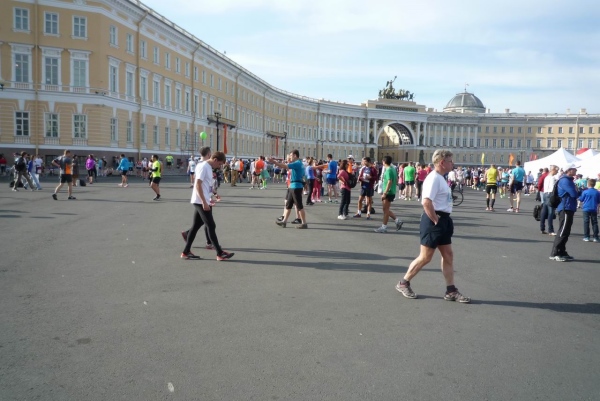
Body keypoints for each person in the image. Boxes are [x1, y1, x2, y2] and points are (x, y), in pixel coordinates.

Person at [395, 149, 470, 303]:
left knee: (448, 255)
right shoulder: (434, 178)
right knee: (425, 257)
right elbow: (426, 202)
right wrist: (435, 220)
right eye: (450, 161)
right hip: (434, 220)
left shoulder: (441, 178)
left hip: (444, 220)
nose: (453, 163)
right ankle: (404, 283)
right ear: (442, 162)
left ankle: (451, 290)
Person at [181, 151, 234, 260]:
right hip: (200, 201)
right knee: (211, 226)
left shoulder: (208, 167)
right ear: (215, 160)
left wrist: (213, 194)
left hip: (203, 200)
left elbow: (207, 185)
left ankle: (186, 252)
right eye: (219, 164)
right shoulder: (204, 166)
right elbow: (198, 184)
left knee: (196, 226)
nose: (219, 167)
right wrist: (204, 202)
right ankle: (220, 253)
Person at [269, 150, 308, 229]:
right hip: (293, 185)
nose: (290, 157)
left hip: (296, 186)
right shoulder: (300, 164)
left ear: (295, 155)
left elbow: (285, 166)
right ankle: (284, 222)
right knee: (288, 205)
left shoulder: (297, 163)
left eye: (291, 155)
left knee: (299, 206)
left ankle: (304, 223)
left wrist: (274, 162)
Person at [549, 164, 580, 262]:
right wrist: (578, 191)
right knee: (563, 231)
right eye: (574, 169)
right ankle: (555, 253)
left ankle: (562, 251)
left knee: (566, 231)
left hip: (568, 207)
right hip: (565, 208)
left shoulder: (568, 180)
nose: (576, 171)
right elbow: (574, 194)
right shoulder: (565, 180)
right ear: (569, 170)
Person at [374, 156, 403, 233]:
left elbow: (390, 181)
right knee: (385, 209)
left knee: (385, 210)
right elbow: (396, 180)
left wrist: (385, 193)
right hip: (391, 191)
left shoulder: (388, 170)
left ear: (383, 162)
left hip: (388, 192)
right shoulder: (393, 169)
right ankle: (397, 221)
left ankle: (384, 227)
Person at [540, 165, 559, 235]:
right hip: (550, 194)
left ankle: (542, 228)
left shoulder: (546, 177)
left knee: (544, 211)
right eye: (556, 170)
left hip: (545, 194)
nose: (557, 172)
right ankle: (551, 230)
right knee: (551, 212)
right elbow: (553, 188)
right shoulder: (553, 178)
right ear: (553, 170)